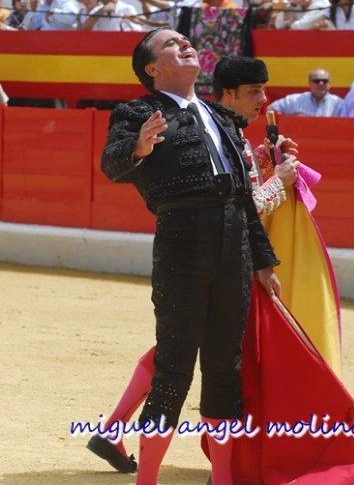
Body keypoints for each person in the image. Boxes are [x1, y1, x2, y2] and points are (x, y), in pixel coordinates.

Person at [100, 27, 281, 484]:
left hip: (234, 246)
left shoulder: (221, 117)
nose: (185, 44)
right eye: (171, 44)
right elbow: (112, 164)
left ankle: (221, 480)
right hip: (182, 241)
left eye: (186, 40)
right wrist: (139, 145)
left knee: (225, 368)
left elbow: (242, 195)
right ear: (152, 68)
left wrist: (261, 259)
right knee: (173, 367)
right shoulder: (136, 112)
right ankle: (148, 481)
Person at [268, 69, 344, 116]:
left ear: (329, 83)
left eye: (324, 81)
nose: (321, 83)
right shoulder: (296, 100)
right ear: (310, 83)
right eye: (316, 81)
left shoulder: (339, 104)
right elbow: (271, 109)